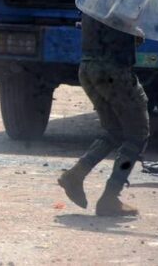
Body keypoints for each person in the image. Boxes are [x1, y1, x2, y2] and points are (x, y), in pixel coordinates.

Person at [57, 14, 148, 217]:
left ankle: (75, 174)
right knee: (138, 134)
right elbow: (125, 30)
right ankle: (110, 197)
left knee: (114, 130)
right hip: (113, 71)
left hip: (89, 68)